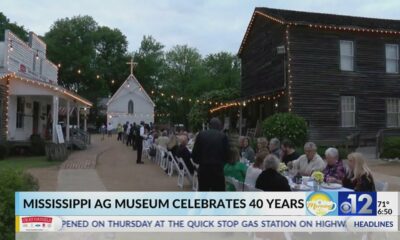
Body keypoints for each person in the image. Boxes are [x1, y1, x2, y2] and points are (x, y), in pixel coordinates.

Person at [192, 118, 230, 191]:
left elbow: (194, 154)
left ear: (209, 126)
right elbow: (227, 154)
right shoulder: (223, 136)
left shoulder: (201, 135)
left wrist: (201, 162)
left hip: (204, 169)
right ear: (219, 126)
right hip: (217, 170)